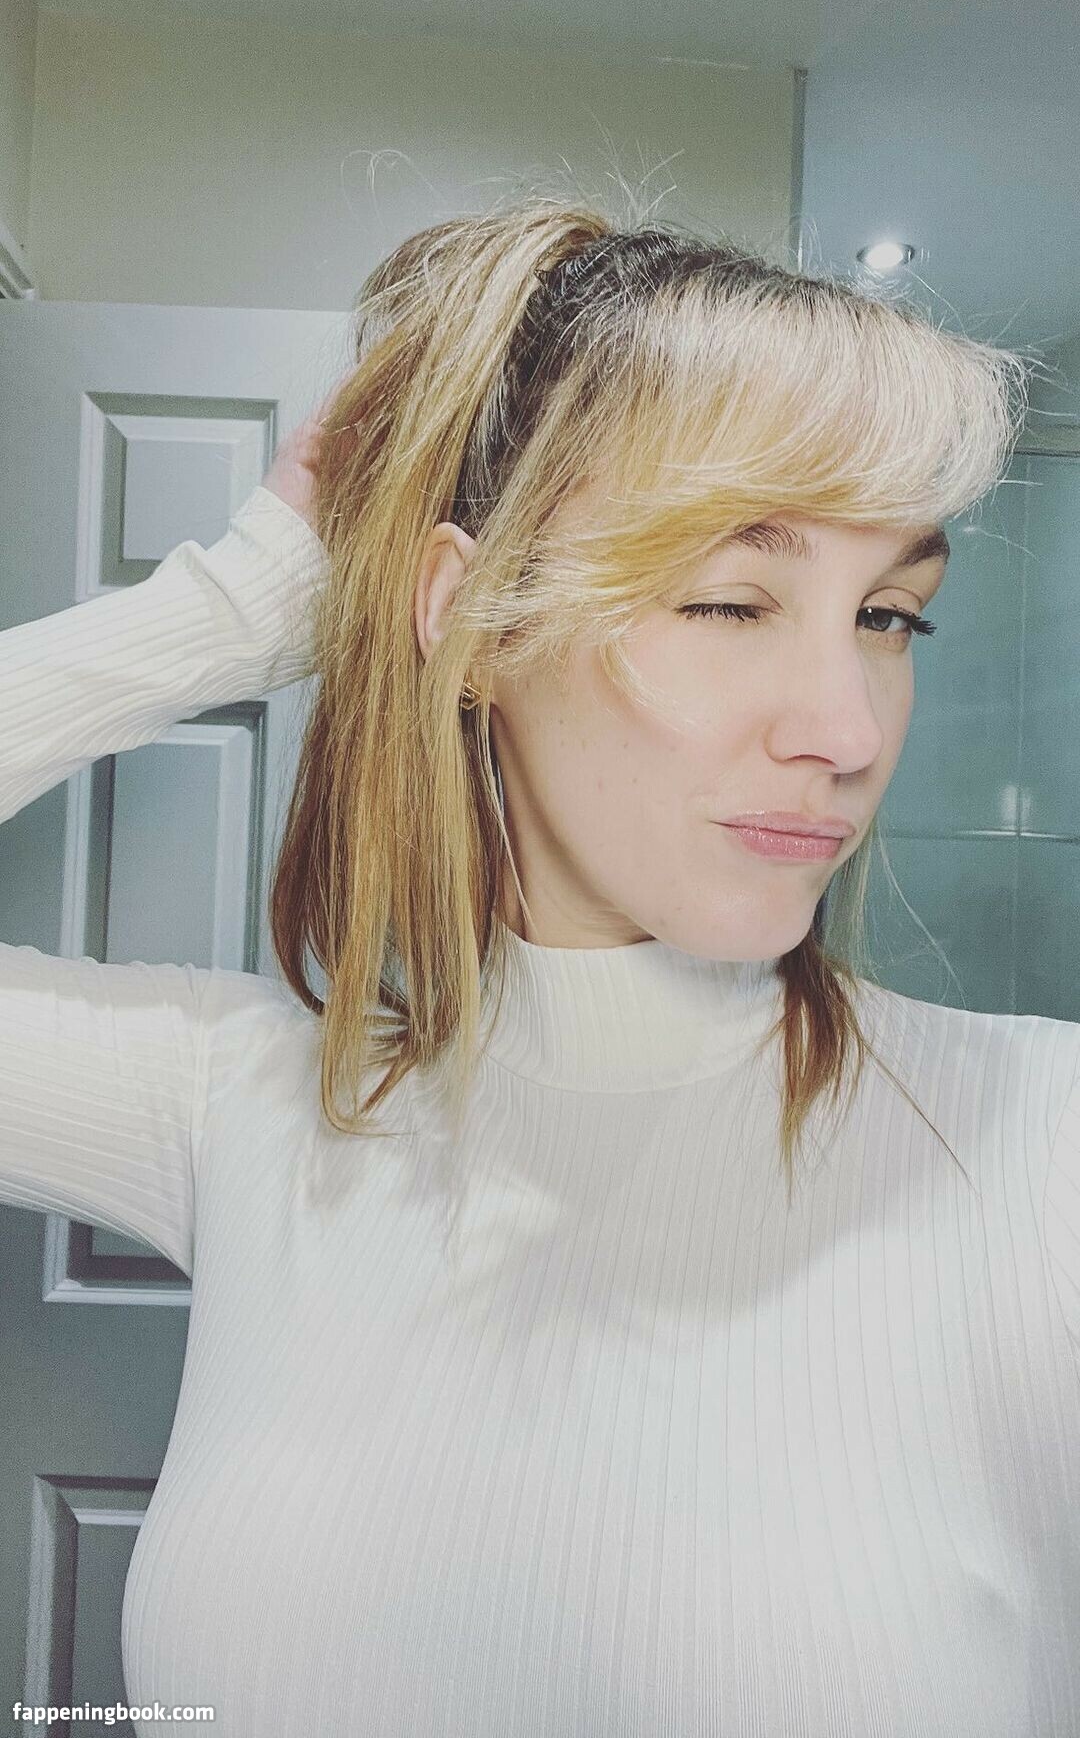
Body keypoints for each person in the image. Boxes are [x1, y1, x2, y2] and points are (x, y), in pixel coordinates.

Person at [3, 193, 1080, 1736]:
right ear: (475, 619)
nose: (847, 730)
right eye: (730, 600)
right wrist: (241, 604)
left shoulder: (1044, 1148)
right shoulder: (242, 1109)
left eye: (891, 617)